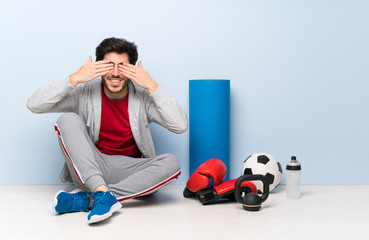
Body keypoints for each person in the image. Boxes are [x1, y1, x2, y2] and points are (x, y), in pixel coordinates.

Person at [27, 37, 188, 224]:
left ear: (133, 70)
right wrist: (74, 78)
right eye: (109, 65)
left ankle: (93, 198)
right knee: (67, 119)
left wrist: (152, 85)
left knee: (172, 163)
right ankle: (100, 191)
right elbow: (34, 104)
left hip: (131, 174)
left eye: (123, 66)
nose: (116, 73)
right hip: (91, 169)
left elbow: (180, 125)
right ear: (99, 67)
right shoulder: (85, 91)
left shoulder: (143, 97)